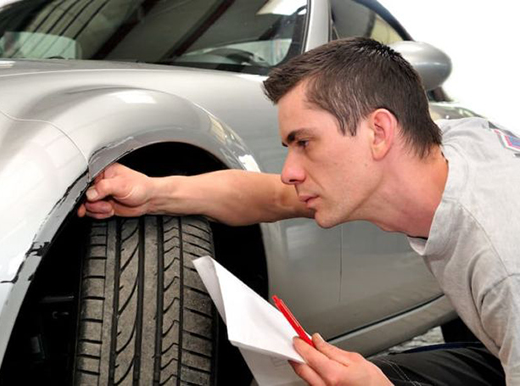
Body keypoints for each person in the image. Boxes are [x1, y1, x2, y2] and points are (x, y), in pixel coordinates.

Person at [77, 37, 517, 385]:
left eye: (305, 143)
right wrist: (151, 191)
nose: (289, 172)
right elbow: (269, 197)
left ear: (379, 131)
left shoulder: (502, 264)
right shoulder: (449, 147)